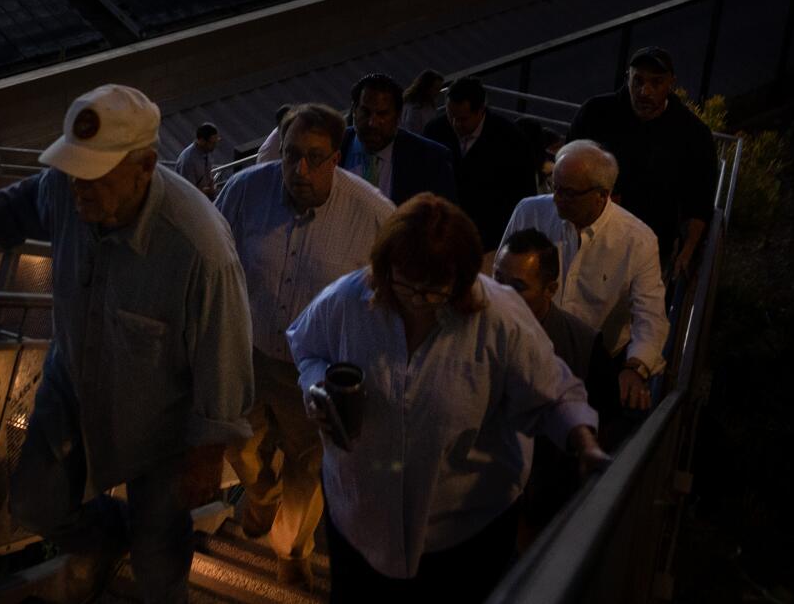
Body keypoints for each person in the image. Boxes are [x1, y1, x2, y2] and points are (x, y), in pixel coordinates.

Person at [0, 84, 254, 604]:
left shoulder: (198, 249)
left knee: (159, 568)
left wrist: (208, 455)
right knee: (35, 505)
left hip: (160, 426)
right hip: (72, 381)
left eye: (92, 176)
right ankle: (120, 536)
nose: (77, 189)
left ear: (144, 166)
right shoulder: (68, 187)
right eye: (71, 170)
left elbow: (224, 354)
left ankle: (150, 546)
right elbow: (30, 196)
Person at [287, 195, 608, 602]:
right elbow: (306, 348)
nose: (419, 300)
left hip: (464, 531)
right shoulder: (350, 298)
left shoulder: (499, 316)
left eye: (435, 290)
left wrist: (585, 445)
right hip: (361, 517)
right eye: (407, 286)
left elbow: (555, 391)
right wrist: (316, 386)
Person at [215, 103, 394, 586]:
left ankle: (291, 548)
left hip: (315, 368)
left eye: (315, 158)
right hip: (247, 354)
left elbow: (394, 297)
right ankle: (259, 493)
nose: (299, 170)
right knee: (238, 441)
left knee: (309, 465)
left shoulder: (374, 216)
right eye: (292, 154)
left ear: (337, 158)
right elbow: (214, 263)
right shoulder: (245, 191)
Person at [500, 142, 669, 412]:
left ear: (602, 196)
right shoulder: (530, 211)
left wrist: (636, 367)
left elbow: (650, 315)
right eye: (553, 186)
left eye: (568, 193)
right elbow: (500, 280)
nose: (556, 199)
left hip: (592, 368)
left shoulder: (637, 240)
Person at [493, 228, 621, 532]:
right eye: (497, 280)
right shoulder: (473, 327)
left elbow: (605, 423)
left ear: (550, 289)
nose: (501, 295)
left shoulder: (584, 347)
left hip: (549, 502)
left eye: (518, 287)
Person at [568, 47, 720, 278]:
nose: (644, 91)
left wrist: (687, 252)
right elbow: (566, 166)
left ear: (671, 83)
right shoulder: (596, 113)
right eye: (637, 80)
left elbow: (699, 202)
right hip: (588, 237)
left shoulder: (693, 134)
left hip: (650, 249)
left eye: (656, 83)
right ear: (627, 77)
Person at [422, 75, 546, 252]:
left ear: (481, 110)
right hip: (442, 235)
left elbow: (522, 196)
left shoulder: (511, 140)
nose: (455, 124)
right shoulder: (435, 131)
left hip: (490, 240)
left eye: (463, 119)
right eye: (451, 116)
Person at [342, 73, 456, 205]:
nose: (372, 123)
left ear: (398, 116)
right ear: (354, 110)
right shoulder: (331, 146)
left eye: (382, 114)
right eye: (366, 112)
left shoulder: (431, 159)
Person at [171, 122, 224, 198]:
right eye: (212, 143)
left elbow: (207, 173)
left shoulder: (206, 151)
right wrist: (209, 191)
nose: (215, 146)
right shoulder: (188, 160)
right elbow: (188, 191)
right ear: (202, 141)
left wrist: (211, 183)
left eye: (216, 142)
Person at [399, 70, 445, 136]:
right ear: (426, 87)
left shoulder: (427, 104)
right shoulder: (415, 109)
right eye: (436, 88)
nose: (438, 93)